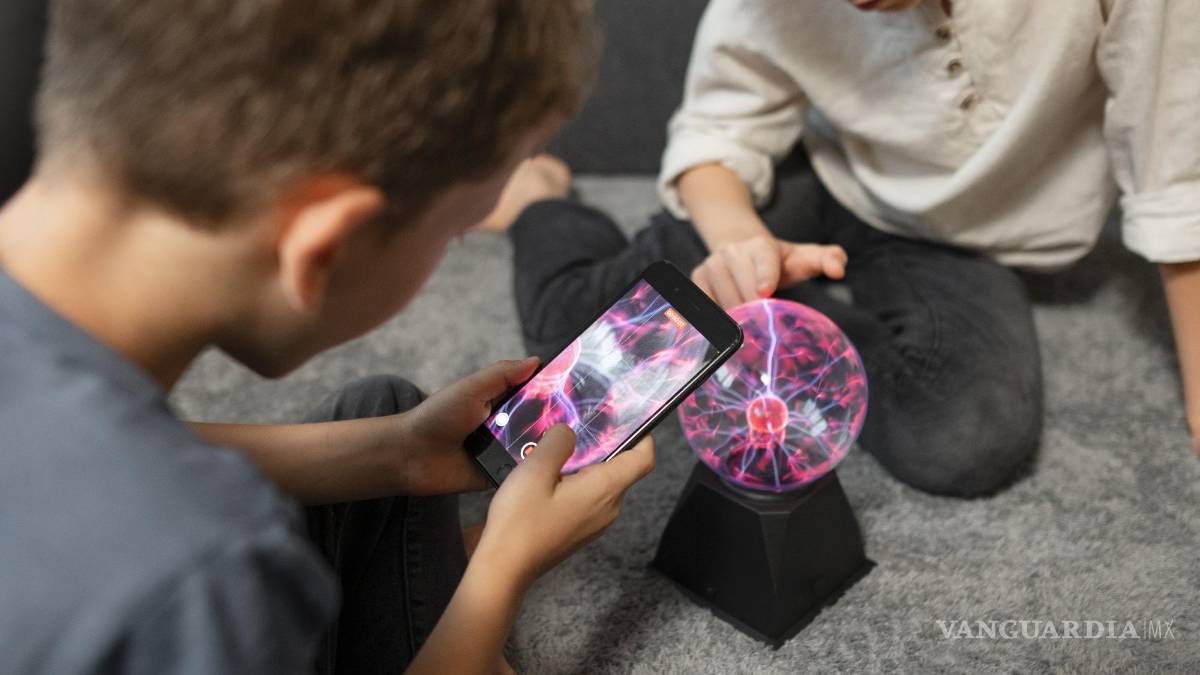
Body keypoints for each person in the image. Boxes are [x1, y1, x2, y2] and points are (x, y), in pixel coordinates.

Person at [0, 1, 656, 673]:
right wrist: (501, 572)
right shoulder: (208, 574)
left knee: (383, 408)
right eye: (452, 232)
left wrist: (398, 451)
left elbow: (99, 446)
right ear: (324, 250)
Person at [486, 0, 1200, 497]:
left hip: (962, 235)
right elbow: (717, 132)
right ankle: (540, 199)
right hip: (816, 176)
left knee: (964, 439)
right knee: (571, 341)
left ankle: (786, 306)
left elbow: (1176, 172)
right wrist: (742, 243)